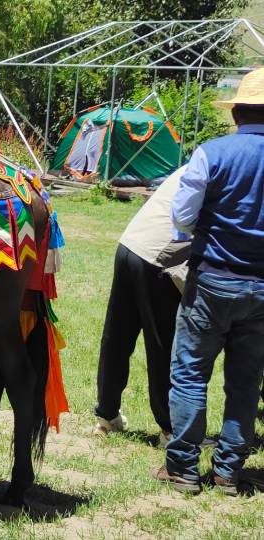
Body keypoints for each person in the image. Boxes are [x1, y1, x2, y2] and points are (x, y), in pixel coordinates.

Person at [153, 67, 264, 496]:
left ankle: (183, 468)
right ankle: (227, 473)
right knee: (245, 380)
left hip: (213, 280)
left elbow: (181, 216)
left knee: (190, 373)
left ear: (236, 111)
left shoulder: (212, 153)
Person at [92, 168, 189, 445]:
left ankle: (106, 415)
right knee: (162, 344)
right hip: (157, 255)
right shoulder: (243, 164)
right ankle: (170, 429)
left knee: (117, 336)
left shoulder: (206, 159)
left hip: (130, 244)